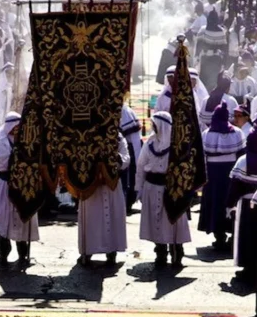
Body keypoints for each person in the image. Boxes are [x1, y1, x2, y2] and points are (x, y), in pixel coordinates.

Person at [136, 112, 190, 268]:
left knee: (173, 220)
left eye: (155, 124)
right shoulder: (150, 143)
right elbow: (141, 167)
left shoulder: (176, 145)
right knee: (155, 221)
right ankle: (160, 253)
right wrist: (138, 188)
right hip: (151, 187)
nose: (153, 127)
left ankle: (177, 252)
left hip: (171, 188)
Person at [0, 112, 38, 267]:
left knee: (22, 217)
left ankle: (23, 254)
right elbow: (4, 165)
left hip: (24, 186)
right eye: (15, 126)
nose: (17, 129)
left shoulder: (27, 141)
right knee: (4, 219)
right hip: (6, 185)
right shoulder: (0, 143)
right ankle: (3, 254)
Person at [78, 132, 130, 267]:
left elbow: (126, 158)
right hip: (91, 184)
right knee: (91, 218)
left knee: (113, 215)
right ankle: (87, 250)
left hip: (112, 183)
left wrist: (115, 158)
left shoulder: (117, 137)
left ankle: (112, 251)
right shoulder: (87, 134)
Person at [228, 131, 257, 285]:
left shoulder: (243, 161)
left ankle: (248, 269)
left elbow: (235, 186)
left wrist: (229, 204)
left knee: (247, 237)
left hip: (247, 206)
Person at [201, 103, 246, 251]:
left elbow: (203, 155)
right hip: (231, 173)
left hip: (213, 175)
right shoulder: (237, 133)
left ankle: (219, 236)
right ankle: (232, 234)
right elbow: (241, 153)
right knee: (230, 201)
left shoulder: (207, 134)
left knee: (215, 203)